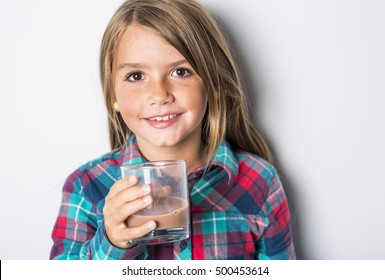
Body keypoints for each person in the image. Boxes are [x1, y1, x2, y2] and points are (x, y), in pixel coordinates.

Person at [50, 0, 296, 260]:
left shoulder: (260, 182)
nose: (159, 95)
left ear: (213, 84)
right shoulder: (86, 187)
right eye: (135, 76)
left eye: (180, 71)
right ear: (113, 95)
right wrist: (112, 242)